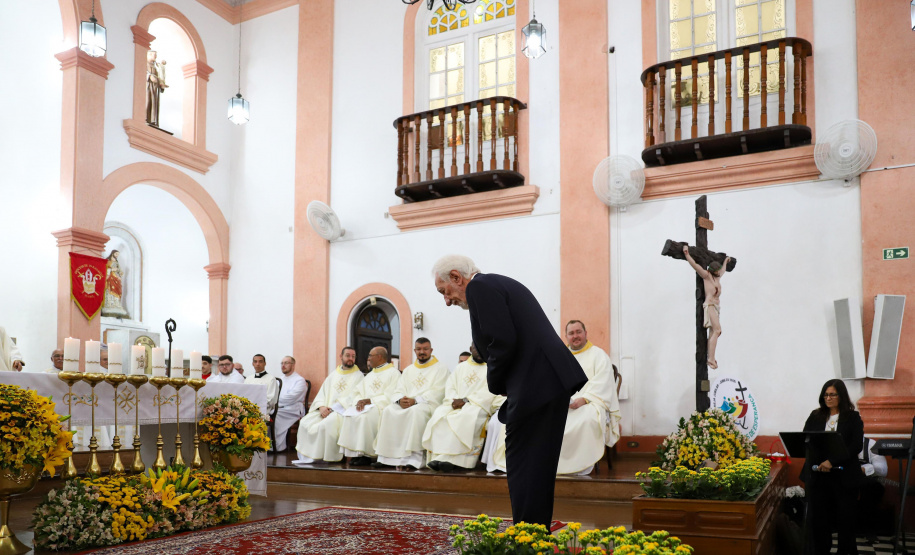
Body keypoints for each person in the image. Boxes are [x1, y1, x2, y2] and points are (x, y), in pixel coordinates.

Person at [432, 255, 587, 526]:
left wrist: (495, 384)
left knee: (524, 463)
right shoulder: (496, 285)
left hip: (537, 384)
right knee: (535, 463)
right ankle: (533, 529)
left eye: (445, 292)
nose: (447, 301)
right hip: (545, 382)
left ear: (457, 277)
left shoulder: (480, 287)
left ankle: (528, 531)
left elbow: (501, 341)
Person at [484, 320, 621, 475]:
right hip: (561, 403)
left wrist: (585, 399)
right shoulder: (561, 356)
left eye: (578, 332)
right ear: (566, 336)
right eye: (571, 333)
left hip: (588, 403)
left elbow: (603, 382)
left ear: (585, 333)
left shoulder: (598, 355)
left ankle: (577, 467)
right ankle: (544, 465)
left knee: (587, 421)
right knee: (540, 421)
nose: (575, 336)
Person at [801, 379, 864, 555]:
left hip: (844, 477)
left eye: (832, 394)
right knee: (820, 521)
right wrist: (821, 462)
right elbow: (807, 440)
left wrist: (832, 461)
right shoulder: (815, 416)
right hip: (819, 476)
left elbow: (855, 446)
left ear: (841, 396)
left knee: (845, 522)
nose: (828, 398)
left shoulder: (852, 418)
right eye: (826, 394)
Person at [375, 338, 450, 469]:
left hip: (427, 404)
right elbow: (398, 389)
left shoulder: (441, 369)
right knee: (388, 410)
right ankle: (387, 457)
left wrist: (415, 400)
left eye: (425, 349)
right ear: (415, 350)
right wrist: (400, 400)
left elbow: (439, 391)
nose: (422, 352)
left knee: (416, 412)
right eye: (419, 349)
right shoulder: (409, 370)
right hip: (407, 403)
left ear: (431, 350)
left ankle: (414, 459)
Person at [422, 344, 496, 472]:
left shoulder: (492, 368)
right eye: (476, 348)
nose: (478, 351)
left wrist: (466, 400)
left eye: (481, 348)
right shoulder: (460, 368)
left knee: (465, 417)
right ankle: (439, 457)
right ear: (470, 349)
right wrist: (455, 400)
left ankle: (459, 461)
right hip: (455, 403)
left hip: (477, 405)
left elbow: (491, 391)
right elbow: (450, 386)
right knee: (440, 415)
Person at [294, 347, 363, 464]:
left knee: (326, 425)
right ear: (341, 357)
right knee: (305, 422)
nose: (351, 358)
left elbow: (355, 397)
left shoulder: (359, 376)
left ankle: (327, 457)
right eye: (348, 355)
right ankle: (309, 458)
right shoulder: (333, 374)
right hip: (325, 409)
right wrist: (321, 407)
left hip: (342, 411)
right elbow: (322, 393)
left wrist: (334, 409)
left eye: (353, 356)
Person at [338, 347, 400, 466]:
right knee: (350, 416)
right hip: (367, 406)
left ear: (379, 357)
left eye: (370, 356)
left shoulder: (394, 373)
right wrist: (359, 401)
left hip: (380, 407)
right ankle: (357, 454)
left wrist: (371, 401)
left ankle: (368, 455)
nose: (368, 358)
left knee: (364, 417)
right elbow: (357, 392)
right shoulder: (371, 375)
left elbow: (391, 395)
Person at [682, 245, 730, 369]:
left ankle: (711, 357)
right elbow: (695, 265)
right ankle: (711, 359)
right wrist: (687, 254)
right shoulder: (706, 275)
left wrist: (725, 261)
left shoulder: (718, 276)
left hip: (716, 307)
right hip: (709, 305)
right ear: (711, 270)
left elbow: (723, 270)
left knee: (715, 332)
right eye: (716, 271)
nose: (718, 272)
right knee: (717, 330)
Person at [273, 356, 308, 452]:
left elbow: (291, 398)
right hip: (279, 407)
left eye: (286, 363)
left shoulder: (299, 380)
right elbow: (272, 394)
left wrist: (275, 402)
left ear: (293, 365)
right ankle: (269, 445)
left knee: (276, 416)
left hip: (293, 409)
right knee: (267, 415)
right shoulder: (278, 380)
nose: (283, 365)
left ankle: (278, 447)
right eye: (282, 363)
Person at [856, 436, 888, 538]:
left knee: (871, 488)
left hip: (869, 483)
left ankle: (868, 529)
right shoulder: (840, 444)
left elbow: (883, 470)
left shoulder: (871, 445)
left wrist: (863, 469)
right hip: (847, 482)